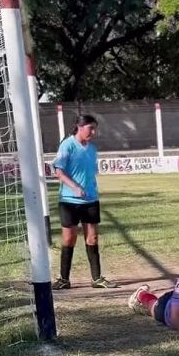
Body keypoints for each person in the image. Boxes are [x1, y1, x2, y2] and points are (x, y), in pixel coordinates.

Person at [52, 115, 118, 290]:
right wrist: (75, 188)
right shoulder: (67, 145)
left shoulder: (92, 149)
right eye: (91, 128)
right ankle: (64, 279)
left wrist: (92, 189)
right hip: (69, 200)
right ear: (79, 127)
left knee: (93, 237)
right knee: (69, 238)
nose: (93, 132)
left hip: (90, 200)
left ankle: (97, 278)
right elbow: (59, 172)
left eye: (95, 129)